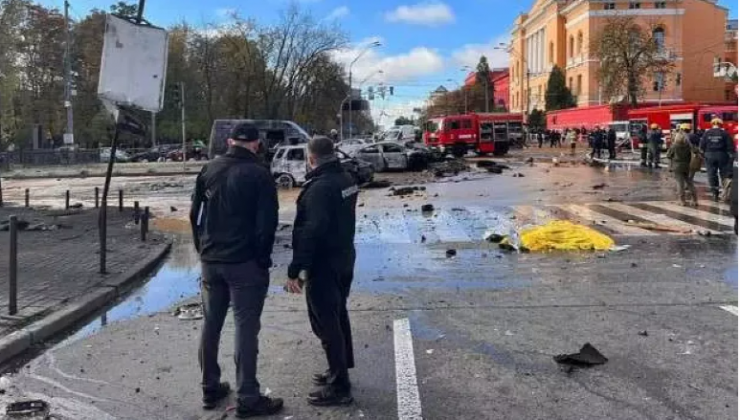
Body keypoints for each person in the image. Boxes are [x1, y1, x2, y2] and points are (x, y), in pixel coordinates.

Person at [189, 122, 284, 417]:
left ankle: (210, 386)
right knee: (245, 328)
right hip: (244, 263)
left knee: (211, 324)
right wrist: (262, 259)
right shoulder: (259, 175)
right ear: (256, 144)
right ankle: (248, 397)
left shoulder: (209, 169)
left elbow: (195, 214)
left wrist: (201, 248)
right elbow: (267, 225)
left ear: (230, 141)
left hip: (211, 261)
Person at [285, 136, 359, 406]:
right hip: (344, 258)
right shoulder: (346, 179)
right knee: (338, 316)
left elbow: (310, 232)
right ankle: (339, 369)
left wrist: (295, 269)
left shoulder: (320, 188)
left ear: (311, 157)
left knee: (326, 323)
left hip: (324, 264)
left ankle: (340, 387)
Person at [700, 117, 734, 202]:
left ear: (712, 124)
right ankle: (725, 194)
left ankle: (715, 194)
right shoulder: (725, 133)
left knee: (712, 175)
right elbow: (730, 146)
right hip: (722, 155)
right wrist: (731, 156)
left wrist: (704, 154)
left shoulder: (706, 133)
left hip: (709, 155)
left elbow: (702, 146)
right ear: (721, 124)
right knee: (724, 174)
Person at [667, 126, 697, 207]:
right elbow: (696, 151)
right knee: (690, 183)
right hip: (687, 165)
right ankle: (695, 200)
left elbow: (668, 155)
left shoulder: (674, 146)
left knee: (680, 184)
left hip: (677, 166)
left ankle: (682, 201)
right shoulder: (688, 145)